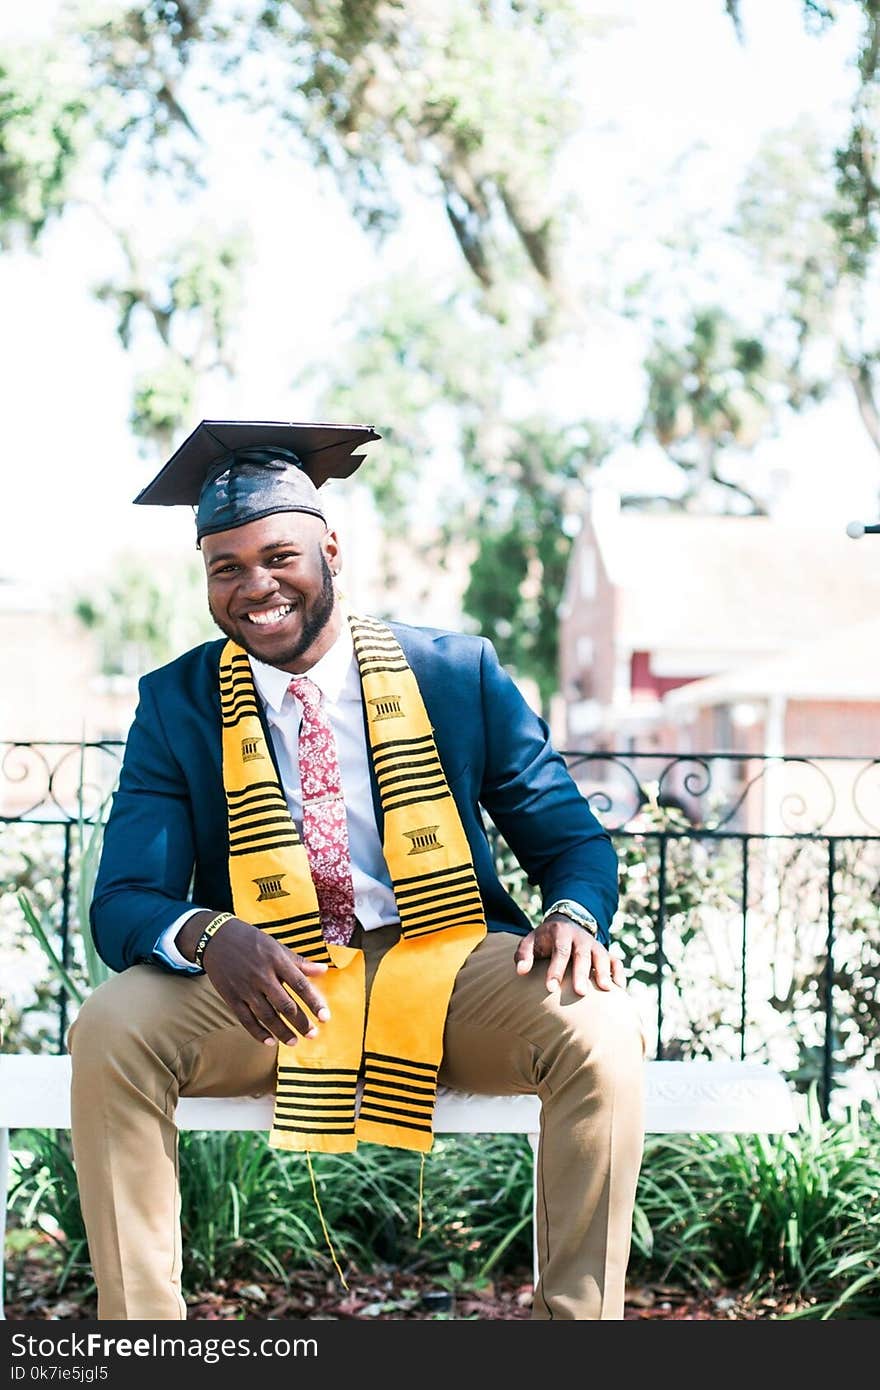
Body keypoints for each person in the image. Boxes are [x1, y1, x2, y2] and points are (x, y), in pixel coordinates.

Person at [68, 419, 646, 1321]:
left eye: (278, 555)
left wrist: (571, 914)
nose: (256, 586)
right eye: (227, 567)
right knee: (113, 1028)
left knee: (598, 1029)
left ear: (330, 548)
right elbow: (124, 903)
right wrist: (209, 933)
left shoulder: (457, 673)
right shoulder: (175, 702)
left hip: (450, 961)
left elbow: (572, 844)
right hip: (272, 982)